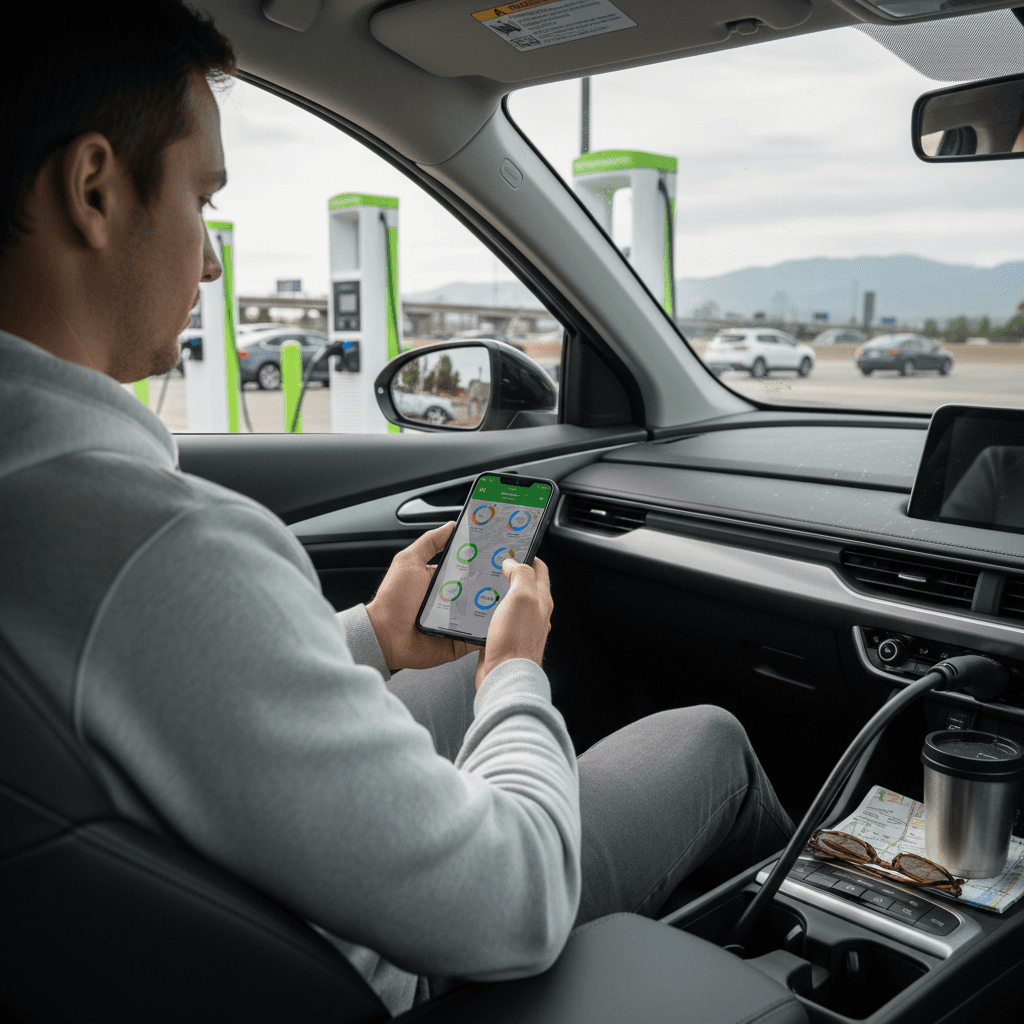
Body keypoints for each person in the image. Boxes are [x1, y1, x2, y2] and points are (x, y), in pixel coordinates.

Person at [0, 1, 793, 1015]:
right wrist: (513, 673)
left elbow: (164, 686)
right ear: (96, 189)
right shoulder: (156, 545)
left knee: (441, 671)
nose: (207, 260)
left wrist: (373, 634)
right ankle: (780, 979)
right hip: (384, 970)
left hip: (187, 924)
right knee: (709, 741)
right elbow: (515, 899)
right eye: (202, 198)